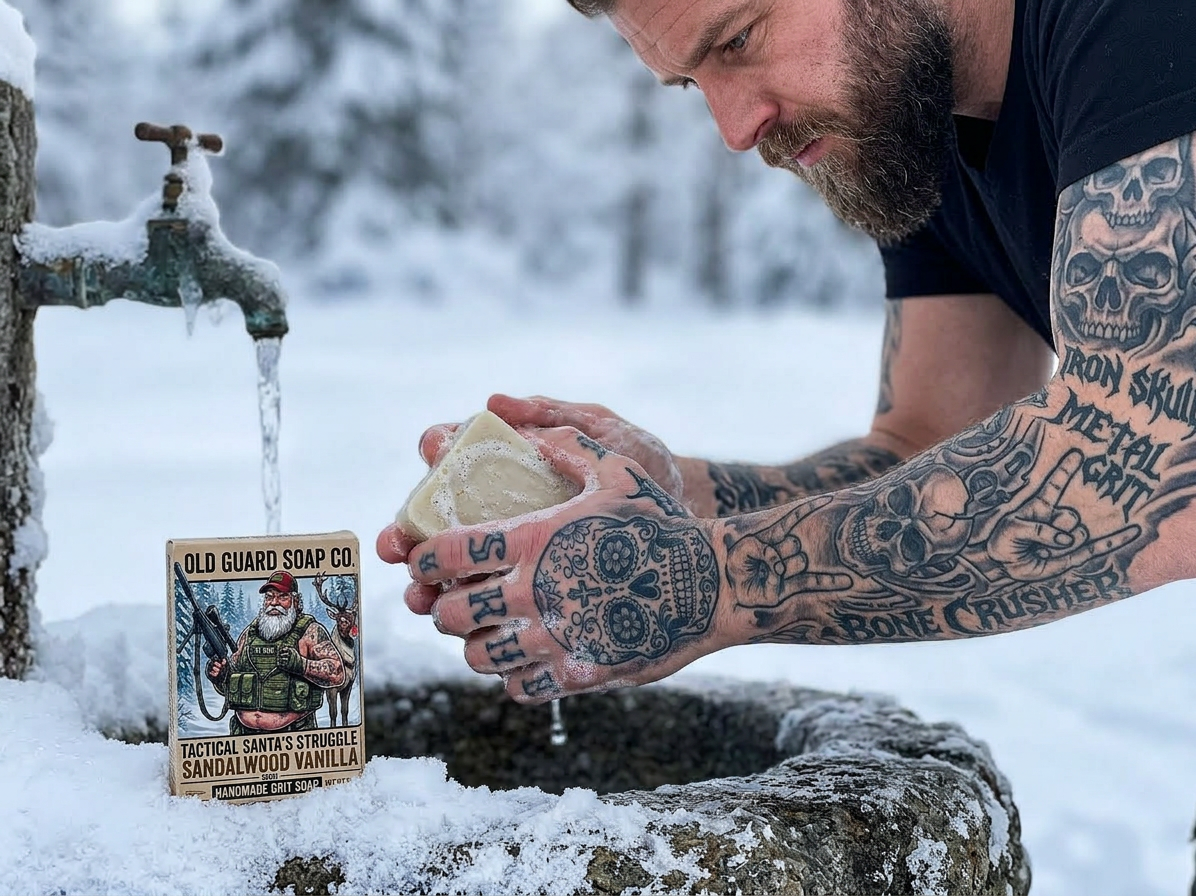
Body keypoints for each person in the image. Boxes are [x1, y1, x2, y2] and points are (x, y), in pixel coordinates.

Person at [377, 0, 1196, 704]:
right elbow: (928, 445)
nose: (734, 129)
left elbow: (1158, 460)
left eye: (737, 40)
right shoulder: (919, 115)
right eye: (694, 82)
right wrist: (680, 498)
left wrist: (704, 582)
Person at [207, 571, 346, 734]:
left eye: (282, 597)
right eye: (269, 597)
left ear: (295, 600)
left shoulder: (309, 631)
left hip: (292, 736)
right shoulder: (250, 633)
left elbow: (337, 672)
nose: (274, 602)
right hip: (244, 735)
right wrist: (220, 676)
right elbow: (232, 684)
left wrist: (301, 664)